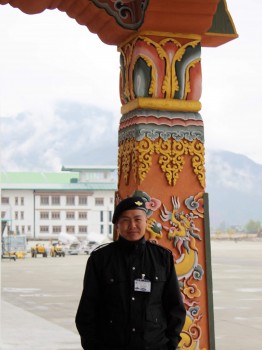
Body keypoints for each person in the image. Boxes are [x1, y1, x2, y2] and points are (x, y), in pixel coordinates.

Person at [75, 196, 186, 350]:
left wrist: (171, 344)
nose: (132, 225)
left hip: (154, 345)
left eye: (137, 219)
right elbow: (87, 309)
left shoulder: (162, 258)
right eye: (125, 220)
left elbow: (175, 307)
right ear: (117, 226)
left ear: (146, 222)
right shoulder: (100, 259)